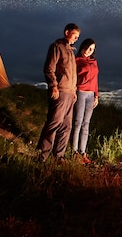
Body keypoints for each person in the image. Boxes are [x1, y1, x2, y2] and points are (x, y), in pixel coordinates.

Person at [36, 23, 81, 162]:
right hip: (60, 91)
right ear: (67, 32)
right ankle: (42, 155)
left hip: (70, 93)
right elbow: (49, 68)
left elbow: (71, 74)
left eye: (78, 37)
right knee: (54, 122)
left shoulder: (71, 52)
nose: (76, 39)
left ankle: (59, 156)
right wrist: (53, 86)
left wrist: (74, 91)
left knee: (66, 126)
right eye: (75, 35)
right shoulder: (57, 47)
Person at [71, 38, 99, 164]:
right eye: (88, 48)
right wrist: (73, 91)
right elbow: (72, 77)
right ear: (83, 47)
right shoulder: (76, 61)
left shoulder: (94, 62)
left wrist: (96, 96)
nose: (89, 51)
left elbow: (95, 80)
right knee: (78, 122)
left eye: (92, 49)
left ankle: (83, 153)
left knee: (86, 124)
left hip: (91, 95)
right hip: (81, 92)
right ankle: (74, 152)